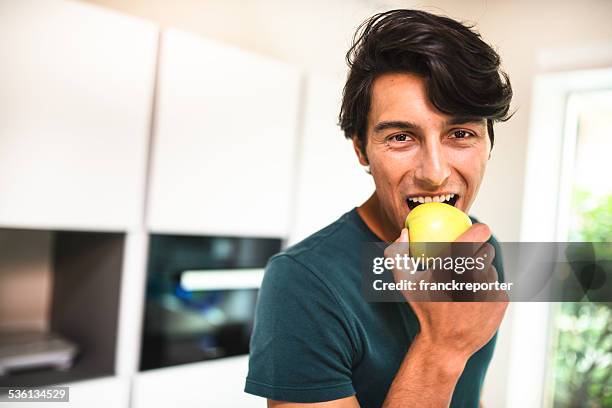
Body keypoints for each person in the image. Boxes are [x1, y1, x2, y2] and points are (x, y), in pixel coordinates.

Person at [245, 9, 513, 407]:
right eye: (402, 137)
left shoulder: (480, 249)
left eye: (460, 133)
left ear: (488, 143)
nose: (435, 174)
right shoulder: (302, 283)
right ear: (360, 149)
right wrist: (442, 349)